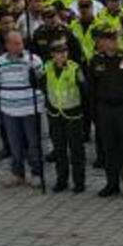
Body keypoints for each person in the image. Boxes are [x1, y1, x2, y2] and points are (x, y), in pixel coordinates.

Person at [88, 27, 123, 199]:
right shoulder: (96, 61)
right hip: (105, 109)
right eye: (107, 39)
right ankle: (112, 183)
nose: (111, 42)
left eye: (114, 39)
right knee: (109, 148)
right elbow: (91, 88)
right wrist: (94, 112)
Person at [0, 30, 44, 188]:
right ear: (7, 45)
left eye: (20, 43)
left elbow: (42, 80)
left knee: (33, 143)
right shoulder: (0, 61)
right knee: (14, 143)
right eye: (15, 44)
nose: (19, 46)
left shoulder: (34, 60)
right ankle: (17, 173)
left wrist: (33, 75)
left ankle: (37, 172)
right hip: (9, 108)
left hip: (29, 108)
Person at [43, 38, 87, 194]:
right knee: (59, 149)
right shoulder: (47, 67)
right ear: (52, 55)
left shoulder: (75, 68)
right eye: (58, 52)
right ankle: (61, 180)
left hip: (73, 115)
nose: (62, 55)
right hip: (55, 114)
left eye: (64, 52)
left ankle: (79, 182)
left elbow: (85, 89)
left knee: (76, 150)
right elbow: (41, 85)